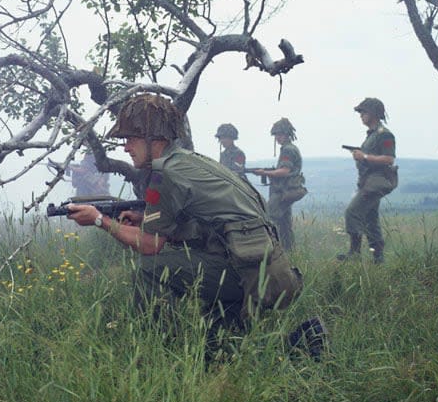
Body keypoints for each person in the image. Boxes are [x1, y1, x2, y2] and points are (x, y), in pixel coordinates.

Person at [66, 94, 301, 339]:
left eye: (131, 139)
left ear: (152, 137)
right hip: (267, 271)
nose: (125, 147)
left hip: (248, 274)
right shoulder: (190, 162)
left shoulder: (164, 173)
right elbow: (205, 223)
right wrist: (145, 219)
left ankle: (161, 346)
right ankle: (304, 340)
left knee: (149, 269)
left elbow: (149, 245)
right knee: (220, 344)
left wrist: (99, 220)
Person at [338, 97, 397, 264]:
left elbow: (389, 159)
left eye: (364, 112)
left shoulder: (384, 134)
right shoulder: (371, 136)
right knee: (371, 220)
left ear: (373, 113)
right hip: (368, 181)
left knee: (352, 212)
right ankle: (379, 260)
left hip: (376, 182)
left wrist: (363, 156)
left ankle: (354, 253)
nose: (361, 115)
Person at [246, 118, 306, 251]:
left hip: (282, 192)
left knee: (269, 219)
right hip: (286, 192)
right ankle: (289, 252)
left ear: (286, 134)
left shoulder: (288, 150)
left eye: (279, 134)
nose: (277, 138)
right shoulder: (289, 148)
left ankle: (270, 251)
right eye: (276, 135)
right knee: (285, 225)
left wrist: (265, 173)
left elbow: (284, 171)